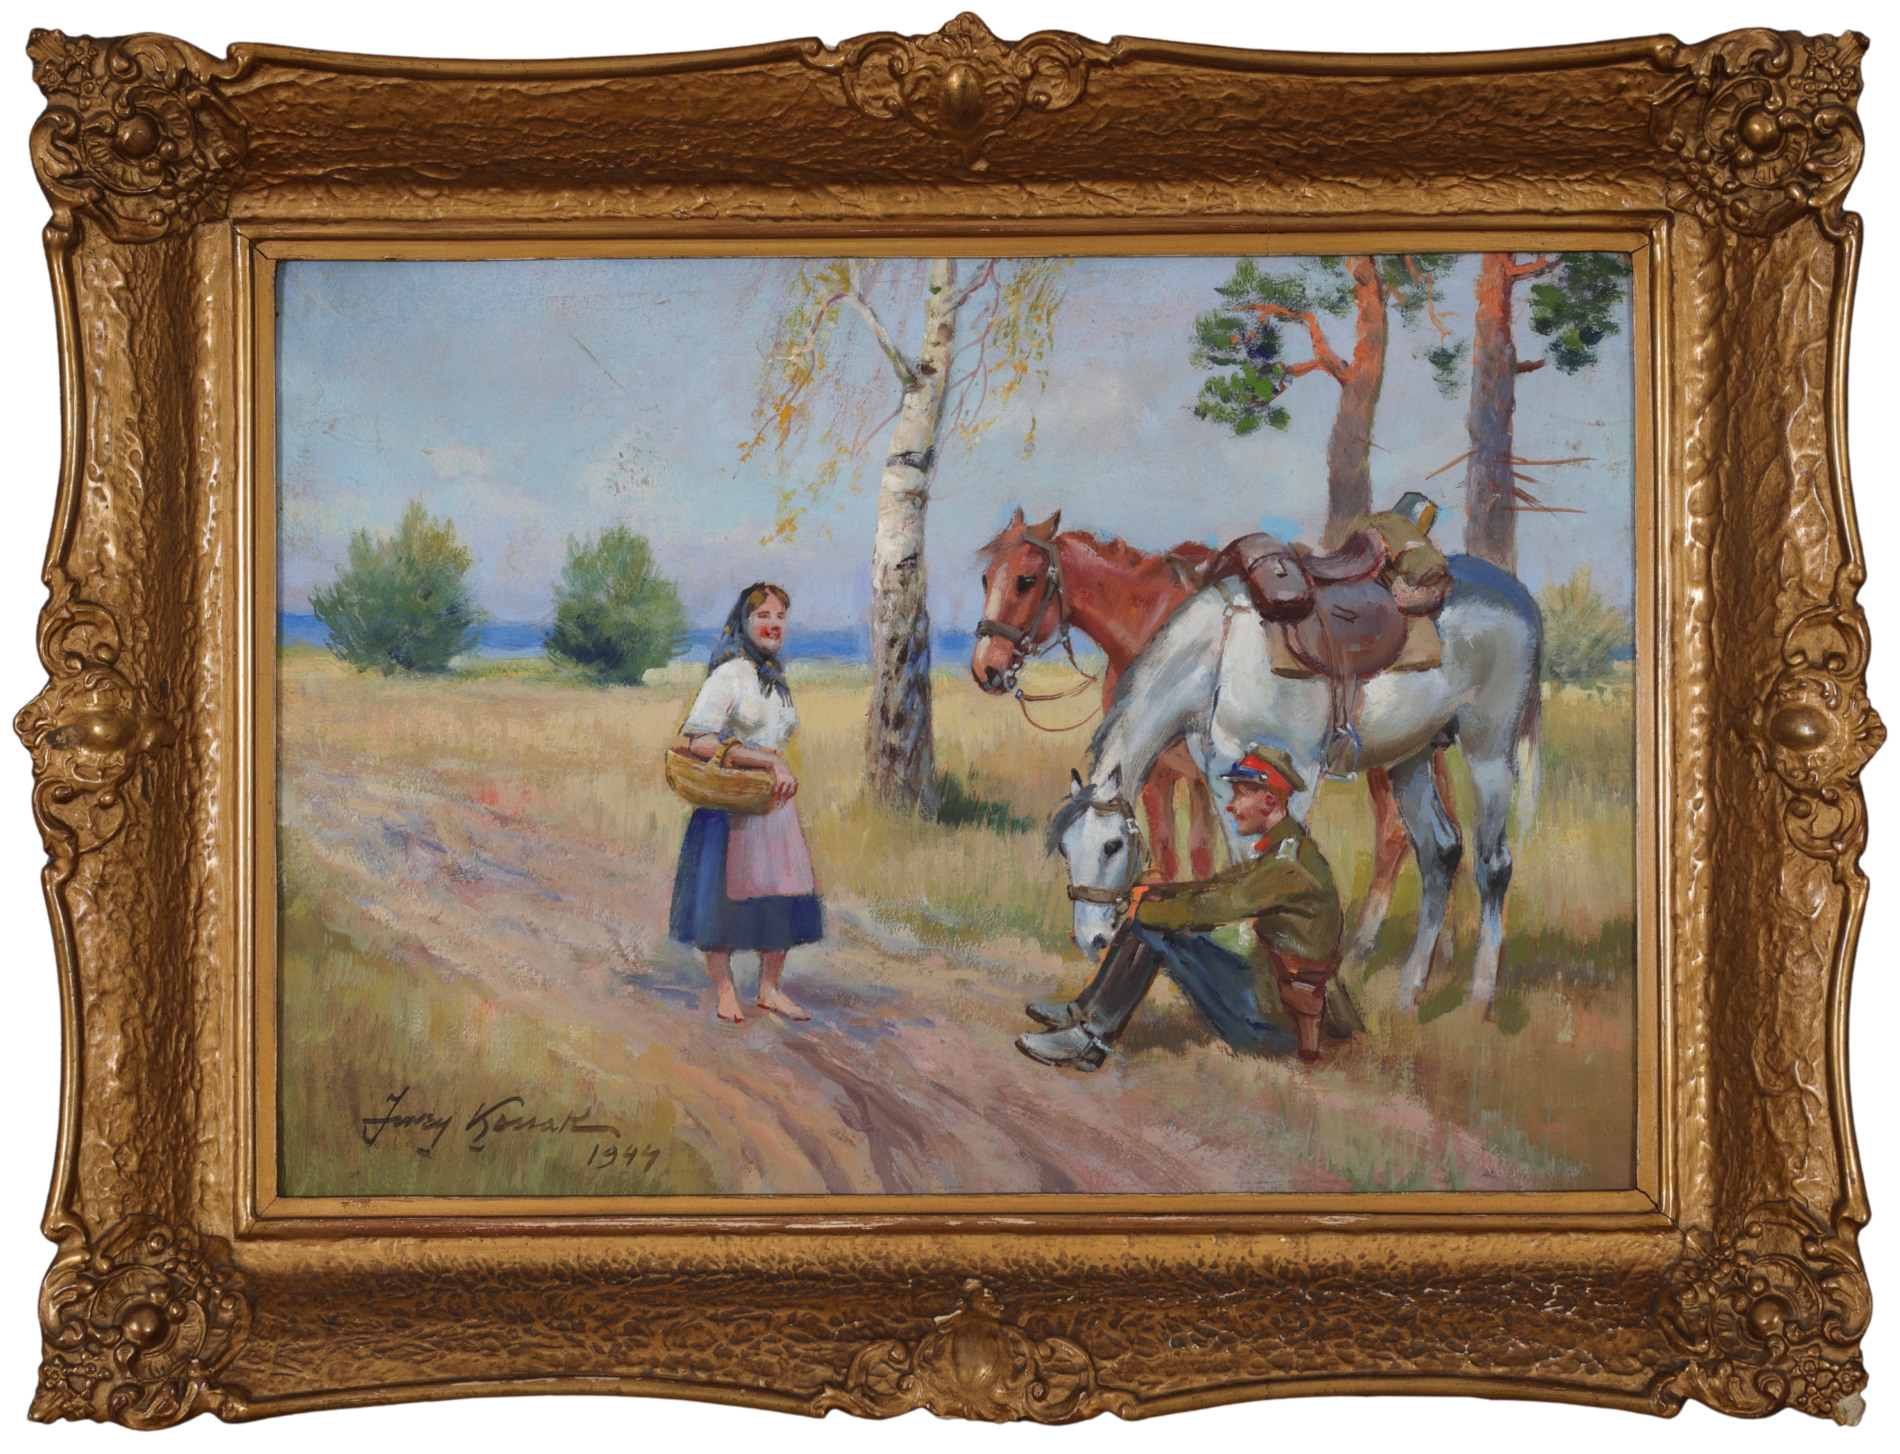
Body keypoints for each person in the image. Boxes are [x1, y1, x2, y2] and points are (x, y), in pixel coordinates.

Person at [1016, 744, 1342, 1071]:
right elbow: (1220, 887)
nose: (1230, 806)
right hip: (1271, 999)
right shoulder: (1288, 850)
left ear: (1269, 801)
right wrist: (1157, 893)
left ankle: (1090, 1038)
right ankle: (1086, 1014)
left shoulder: (1288, 866)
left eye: (1240, 795)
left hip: (1273, 1026)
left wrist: (1144, 909)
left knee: (1151, 928)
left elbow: (1216, 906)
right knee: (1151, 919)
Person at [668, 582, 824, 1023]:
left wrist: (775, 767)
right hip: (730, 803)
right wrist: (767, 760)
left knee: (781, 900)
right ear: (745, 622)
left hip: (772, 806)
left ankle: (770, 990)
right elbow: (699, 740)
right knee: (722, 904)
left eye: (780, 617)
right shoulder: (730, 674)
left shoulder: (775, 679)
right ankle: (725, 992)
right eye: (763, 616)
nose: (774, 625)